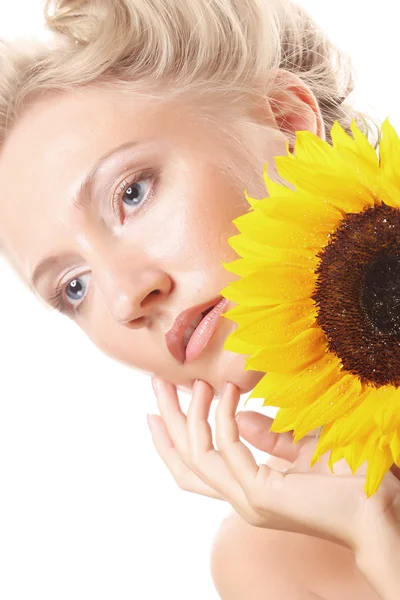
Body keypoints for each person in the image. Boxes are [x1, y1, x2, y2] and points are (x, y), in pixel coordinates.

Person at [0, 0, 398, 598]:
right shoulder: (275, 560)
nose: (127, 296)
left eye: (131, 193)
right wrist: (378, 532)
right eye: (73, 286)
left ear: (288, 121)